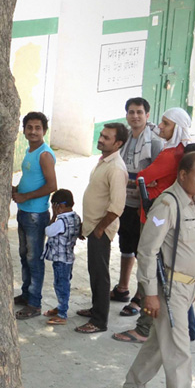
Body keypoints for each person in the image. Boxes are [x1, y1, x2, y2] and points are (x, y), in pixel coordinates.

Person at [121, 152, 195, 388]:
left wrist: (193, 282)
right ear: (183, 175)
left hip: (185, 286)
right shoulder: (167, 204)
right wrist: (149, 293)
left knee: (162, 343)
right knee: (179, 350)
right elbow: (147, 250)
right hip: (168, 288)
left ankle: (133, 387)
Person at [116, 106, 192, 329]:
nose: (160, 127)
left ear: (177, 128)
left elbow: (143, 176)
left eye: (166, 124)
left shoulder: (172, 153)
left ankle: (145, 324)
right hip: (158, 211)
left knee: (149, 262)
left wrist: (150, 182)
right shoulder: (177, 151)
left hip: (155, 214)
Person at [74, 123, 128, 335]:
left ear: (118, 143)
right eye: (101, 135)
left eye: (106, 137)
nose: (101, 139)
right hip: (93, 227)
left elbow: (117, 207)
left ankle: (99, 321)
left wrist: (99, 229)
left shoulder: (115, 168)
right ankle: (96, 309)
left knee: (100, 274)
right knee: (94, 271)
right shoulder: (105, 161)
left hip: (101, 230)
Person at [112, 97, 165, 304]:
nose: (135, 116)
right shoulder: (124, 138)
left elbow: (158, 177)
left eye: (139, 112)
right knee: (125, 245)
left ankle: (140, 296)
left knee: (143, 251)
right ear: (126, 115)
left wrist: (145, 202)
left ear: (147, 115)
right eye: (131, 112)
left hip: (143, 206)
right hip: (124, 201)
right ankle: (122, 288)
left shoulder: (154, 142)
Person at [12, 111, 57, 320]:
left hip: (36, 215)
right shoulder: (30, 151)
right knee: (24, 255)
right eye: (29, 127)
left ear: (44, 131)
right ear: (24, 130)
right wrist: (17, 191)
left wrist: (26, 196)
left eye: (37, 128)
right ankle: (26, 292)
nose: (33, 131)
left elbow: (52, 185)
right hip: (24, 212)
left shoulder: (44, 154)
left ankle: (35, 303)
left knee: (34, 258)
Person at [41, 189, 81, 326]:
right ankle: (60, 306)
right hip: (69, 258)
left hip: (60, 259)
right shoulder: (76, 217)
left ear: (59, 206)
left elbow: (48, 231)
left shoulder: (60, 222)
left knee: (61, 285)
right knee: (64, 283)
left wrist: (53, 216)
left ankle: (62, 313)